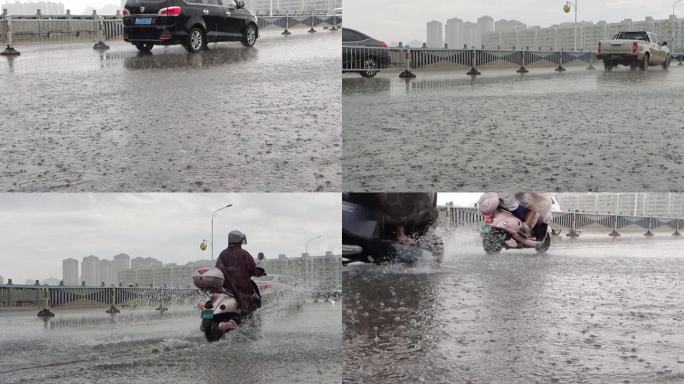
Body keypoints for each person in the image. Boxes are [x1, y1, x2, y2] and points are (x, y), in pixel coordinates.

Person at [215, 230, 258, 314]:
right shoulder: (244, 254)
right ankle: (246, 316)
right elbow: (253, 269)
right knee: (250, 300)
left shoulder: (223, 254)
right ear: (239, 240)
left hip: (224, 286)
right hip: (240, 287)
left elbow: (217, 267)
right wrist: (260, 272)